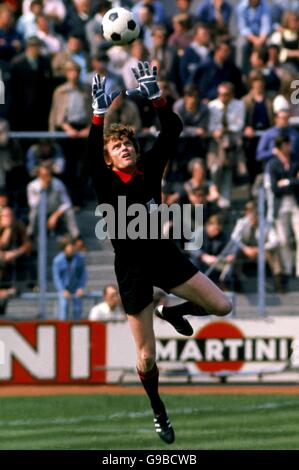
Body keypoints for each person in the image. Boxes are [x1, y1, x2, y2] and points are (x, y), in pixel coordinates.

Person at [84, 61, 232, 444]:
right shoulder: (104, 179)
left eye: (128, 143)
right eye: (117, 147)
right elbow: (89, 155)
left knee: (222, 307)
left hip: (165, 257)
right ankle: (159, 411)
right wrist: (99, 117)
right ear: (110, 158)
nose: (125, 148)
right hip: (131, 270)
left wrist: (157, 98)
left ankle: (170, 309)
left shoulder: (149, 167)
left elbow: (173, 130)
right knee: (147, 358)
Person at [52, 235, 87, 320]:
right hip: (64, 289)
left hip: (75, 288)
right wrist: (62, 290)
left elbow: (83, 274)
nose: (71, 249)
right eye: (69, 246)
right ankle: (63, 329)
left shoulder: (80, 258)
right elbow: (56, 277)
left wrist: (81, 287)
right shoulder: (57, 261)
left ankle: (77, 327)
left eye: (73, 246)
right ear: (64, 248)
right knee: (64, 306)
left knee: (77, 309)